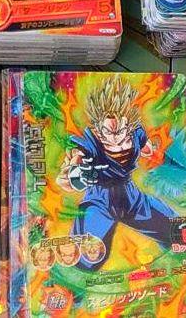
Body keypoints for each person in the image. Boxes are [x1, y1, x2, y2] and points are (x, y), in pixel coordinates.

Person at [58, 77, 175, 268]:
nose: (115, 138)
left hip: (132, 198)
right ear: (98, 128)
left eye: (120, 132)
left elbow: (149, 150)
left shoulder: (136, 134)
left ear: (128, 126)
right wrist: (73, 175)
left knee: (177, 230)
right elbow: (68, 173)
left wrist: (159, 155)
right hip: (99, 201)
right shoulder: (89, 145)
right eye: (108, 133)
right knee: (84, 259)